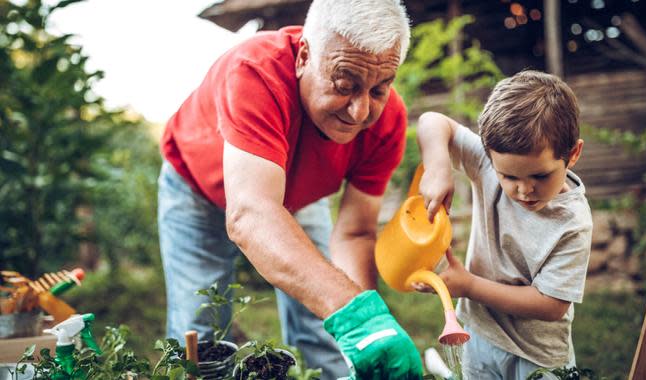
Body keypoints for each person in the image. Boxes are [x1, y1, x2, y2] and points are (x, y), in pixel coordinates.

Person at [158, 0, 423, 378]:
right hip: (195, 192)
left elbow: (355, 232)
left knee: (328, 331)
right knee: (202, 336)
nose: (360, 112)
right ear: (303, 56)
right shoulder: (255, 72)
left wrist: (369, 324)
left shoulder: (388, 121)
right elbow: (251, 214)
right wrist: (352, 312)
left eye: (379, 90)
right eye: (345, 85)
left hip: (293, 199)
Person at [415, 70, 592, 379]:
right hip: (480, 335)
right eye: (509, 177)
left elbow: (551, 305)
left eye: (540, 176)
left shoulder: (572, 222)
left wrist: (468, 285)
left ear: (572, 154)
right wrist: (438, 165)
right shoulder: (486, 163)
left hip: (539, 355)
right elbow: (432, 121)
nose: (524, 190)